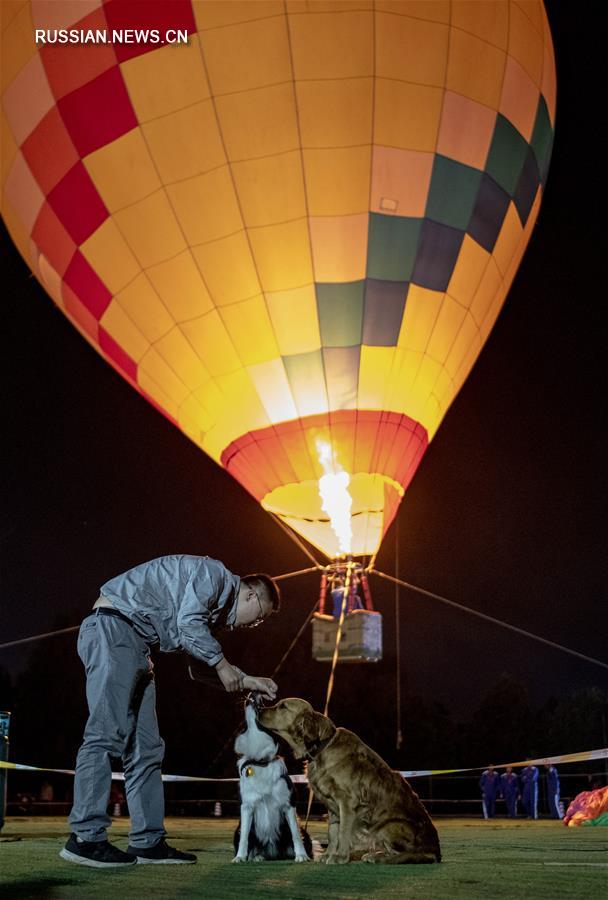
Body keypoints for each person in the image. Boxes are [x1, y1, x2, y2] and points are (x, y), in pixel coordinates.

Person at [60, 555, 280, 869]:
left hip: (136, 645)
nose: (254, 624)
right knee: (105, 735)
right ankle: (85, 838)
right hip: (113, 628)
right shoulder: (214, 574)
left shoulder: (213, 613)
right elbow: (188, 626)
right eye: (260, 617)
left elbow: (197, 666)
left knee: (147, 749)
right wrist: (223, 664)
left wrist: (246, 680)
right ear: (250, 595)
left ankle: (147, 842)